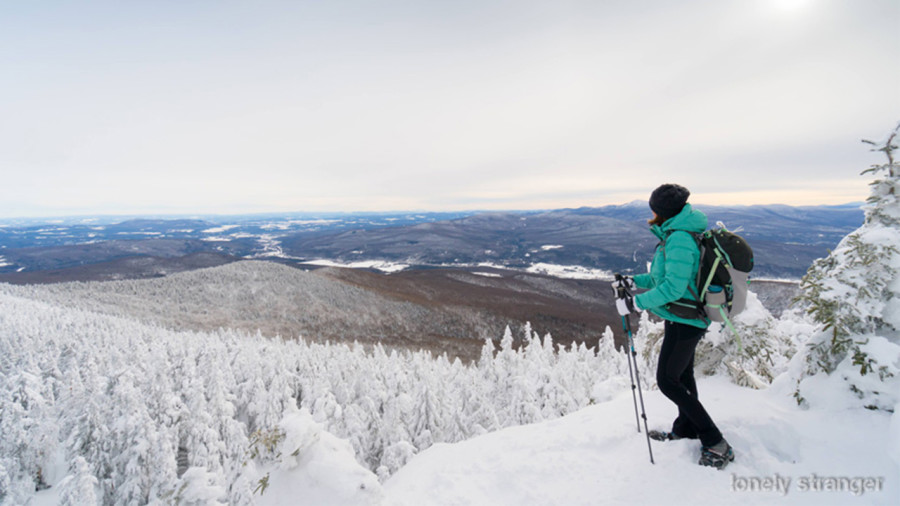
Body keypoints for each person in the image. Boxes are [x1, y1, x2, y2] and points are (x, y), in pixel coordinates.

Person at [614, 183, 735, 469]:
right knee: (682, 377)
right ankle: (686, 428)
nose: (652, 213)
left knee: (668, 381)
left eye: (654, 208)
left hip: (687, 319)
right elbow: (663, 276)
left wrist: (635, 304)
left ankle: (715, 442)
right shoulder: (678, 233)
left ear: (663, 212)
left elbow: (672, 287)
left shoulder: (679, 238)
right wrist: (633, 282)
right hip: (682, 316)